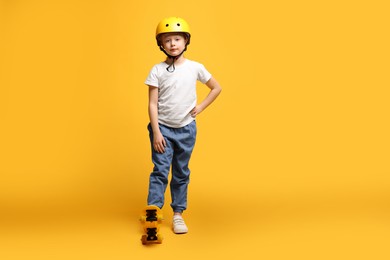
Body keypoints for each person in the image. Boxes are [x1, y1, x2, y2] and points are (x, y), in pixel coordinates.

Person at [144, 17, 222, 234]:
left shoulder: (195, 67)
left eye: (177, 39)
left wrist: (201, 107)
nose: (172, 44)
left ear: (186, 41)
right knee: (160, 170)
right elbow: (152, 104)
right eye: (167, 40)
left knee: (180, 172)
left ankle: (178, 214)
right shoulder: (157, 70)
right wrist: (157, 132)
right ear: (161, 44)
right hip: (162, 129)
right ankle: (154, 212)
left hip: (186, 129)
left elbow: (216, 88)